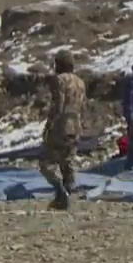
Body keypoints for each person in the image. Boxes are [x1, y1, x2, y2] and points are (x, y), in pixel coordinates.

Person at [39, 51, 86, 210]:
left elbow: (58, 104)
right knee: (68, 161)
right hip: (76, 126)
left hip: (61, 126)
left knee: (47, 163)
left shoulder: (59, 80)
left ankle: (59, 191)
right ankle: (67, 193)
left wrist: (49, 125)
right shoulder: (80, 82)